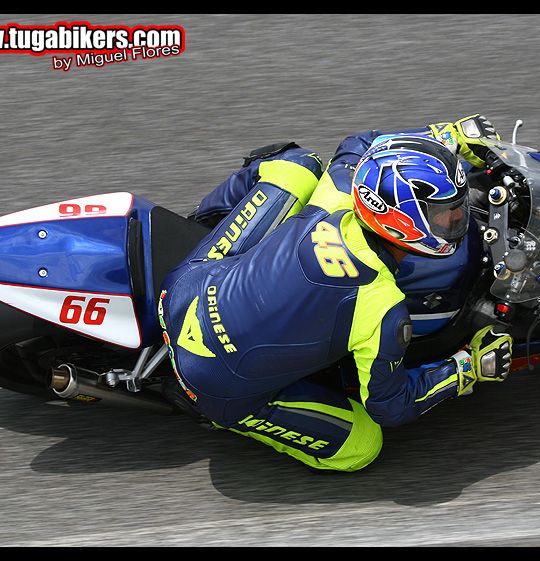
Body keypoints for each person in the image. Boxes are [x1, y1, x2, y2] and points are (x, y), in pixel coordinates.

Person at [158, 115, 513, 472]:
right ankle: (220, 413)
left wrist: (445, 135)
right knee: (362, 447)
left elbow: (360, 143)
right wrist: (467, 368)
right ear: (404, 223)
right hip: (210, 381)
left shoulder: (339, 193)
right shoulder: (381, 307)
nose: (456, 218)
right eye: (444, 213)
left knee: (295, 164)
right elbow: (391, 406)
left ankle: (202, 225)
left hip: (184, 290)